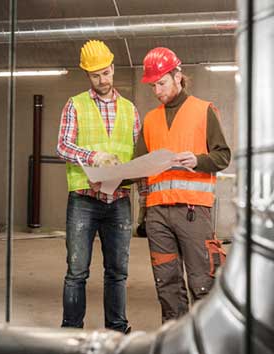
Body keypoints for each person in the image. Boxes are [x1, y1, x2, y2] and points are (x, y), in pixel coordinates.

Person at [136, 47, 231, 323]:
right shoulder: (151, 119)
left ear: (178, 76)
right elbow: (139, 162)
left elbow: (223, 156)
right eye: (153, 85)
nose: (157, 90)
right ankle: (176, 342)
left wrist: (198, 160)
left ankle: (208, 340)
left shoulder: (204, 111)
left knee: (203, 282)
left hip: (193, 212)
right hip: (157, 216)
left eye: (162, 83)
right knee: (167, 284)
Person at [56, 40, 140, 333]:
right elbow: (62, 146)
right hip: (83, 200)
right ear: (87, 76)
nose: (102, 80)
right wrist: (94, 156)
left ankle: (117, 328)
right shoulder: (75, 104)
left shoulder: (130, 109)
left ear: (113, 69)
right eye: (95, 75)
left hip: (118, 200)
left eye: (106, 73)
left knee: (117, 272)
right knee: (76, 272)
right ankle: (70, 330)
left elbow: (138, 154)